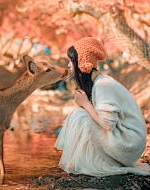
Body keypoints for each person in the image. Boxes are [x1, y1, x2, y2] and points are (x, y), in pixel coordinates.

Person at [55, 37, 150, 176]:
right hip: (126, 140)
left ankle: (91, 164)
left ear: (81, 62)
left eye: (71, 61)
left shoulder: (103, 85)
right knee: (80, 114)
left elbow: (107, 124)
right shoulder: (100, 83)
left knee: (79, 117)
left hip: (128, 145)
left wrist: (86, 103)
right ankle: (86, 162)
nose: (69, 65)